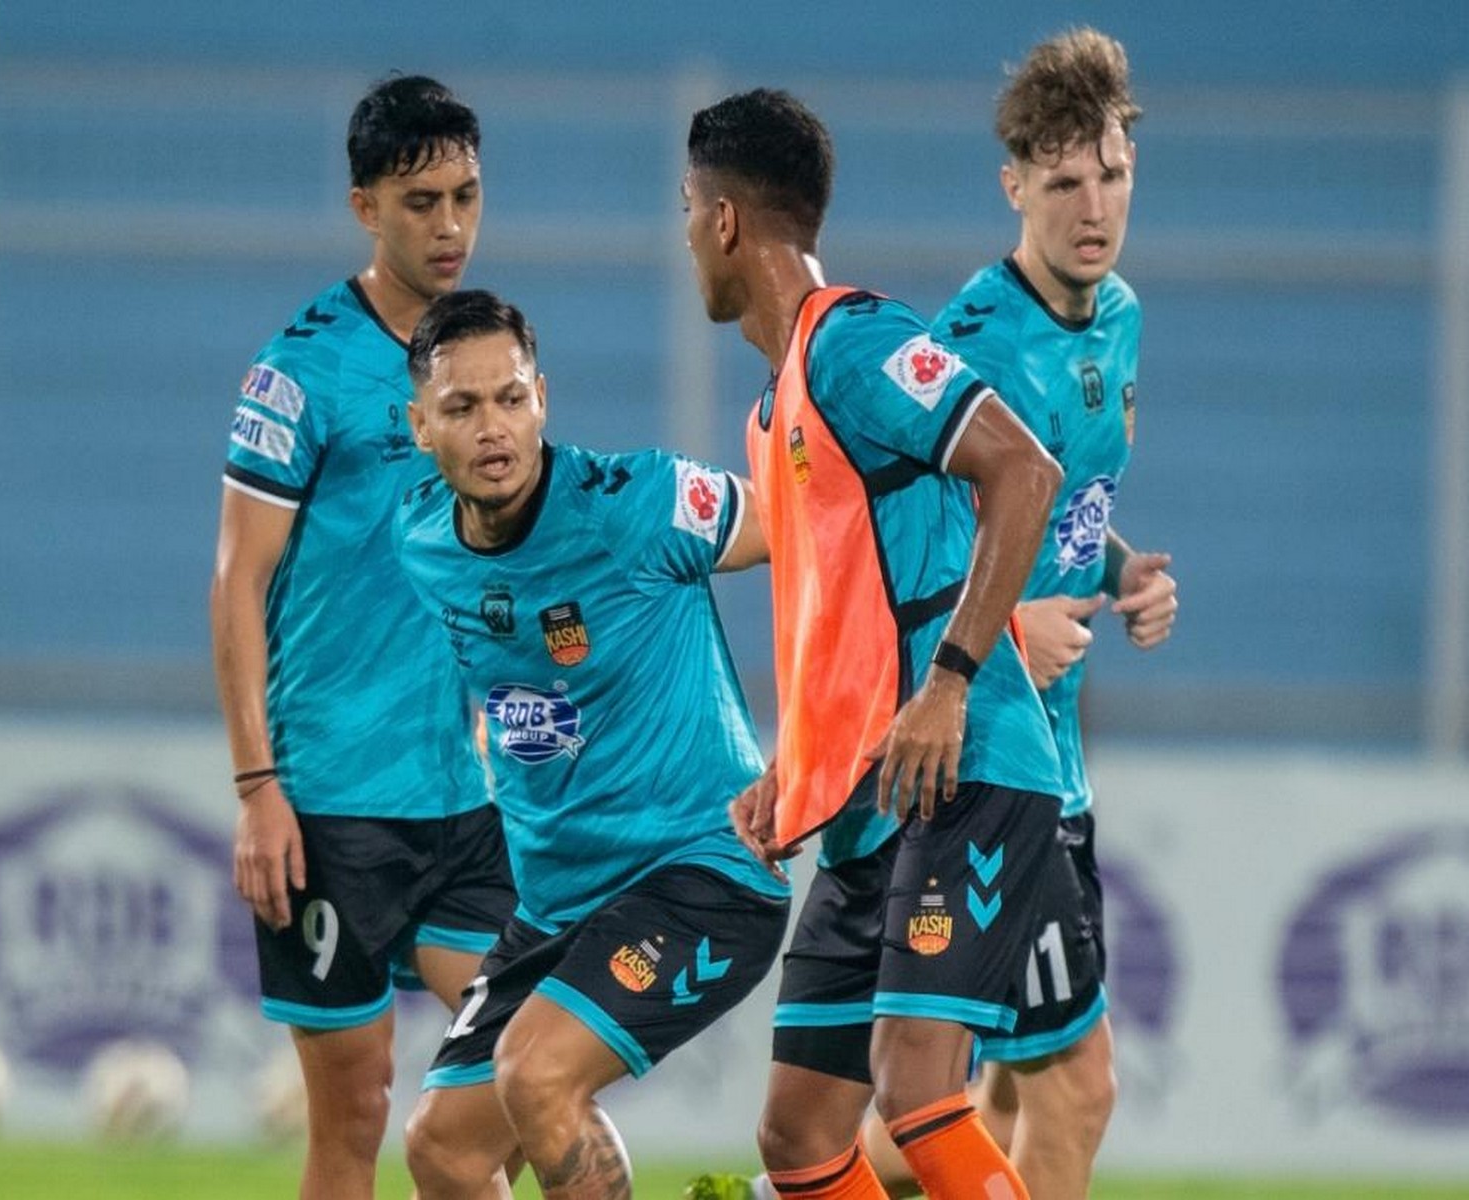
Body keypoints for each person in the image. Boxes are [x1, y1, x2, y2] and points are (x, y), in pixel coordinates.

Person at [683, 88, 1089, 1200]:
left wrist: (952, 681)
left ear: (722, 223)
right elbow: (838, 628)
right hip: (868, 802)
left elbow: (1023, 471)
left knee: (915, 1091)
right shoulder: (773, 418)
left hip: (964, 762)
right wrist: (790, 771)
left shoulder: (856, 344)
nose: (686, 239)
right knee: (800, 1139)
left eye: (686, 211)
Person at [854, 30, 1179, 1200]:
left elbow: (1064, 501)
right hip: (988, 758)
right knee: (1068, 1086)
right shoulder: (973, 346)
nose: (1093, 207)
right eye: (1063, 183)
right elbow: (894, 541)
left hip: (1057, 756)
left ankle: (787, 1182)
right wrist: (999, 634)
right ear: (1014, 188)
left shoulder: (1121, 316)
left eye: (1112, 174)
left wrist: (1123, 570)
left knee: (984, 1095)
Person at [394, 289, 791, 1199]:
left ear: (545, 399)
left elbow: (806, 538)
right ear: (421, 426)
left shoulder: (636, 504)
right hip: (555, 907)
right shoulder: (420, 538)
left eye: (511, 398)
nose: (493, 427)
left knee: (537, 1075)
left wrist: (810, 745)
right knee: (442, 1150)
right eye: (461, 407)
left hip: (701, 874)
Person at [209, 76, 517, 1200]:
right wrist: (257, 788)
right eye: (421, 200)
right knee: (355, 1111)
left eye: (467, 197)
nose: (450, 227)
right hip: (332, 798)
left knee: (527, 1076)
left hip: (464, 793)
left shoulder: (484, 366)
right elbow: (236, 583)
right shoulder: (301, 369)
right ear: (363, 208)